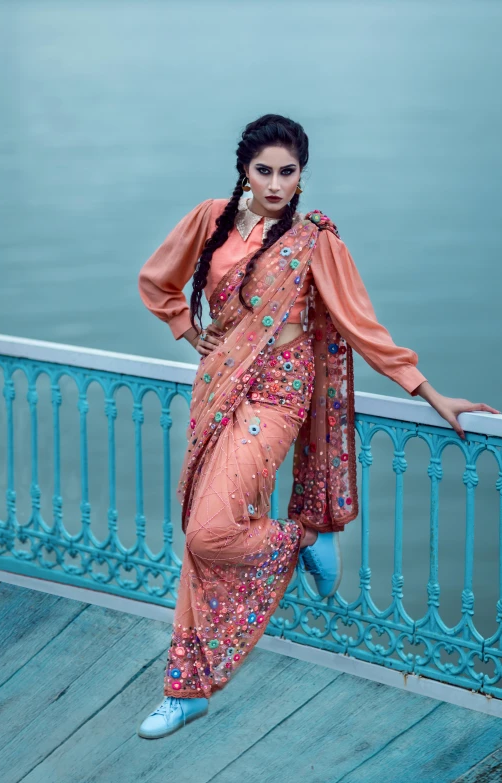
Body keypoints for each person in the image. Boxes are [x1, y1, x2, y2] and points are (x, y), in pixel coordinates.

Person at [135, 114, 500, 739]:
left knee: (209, 533)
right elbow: (157, 281)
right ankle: (187, 689)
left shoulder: (315, 241)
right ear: (243, 172)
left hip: (277, 397)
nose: (276, 184)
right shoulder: (209, 217)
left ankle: (305, 537)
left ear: (302, 173)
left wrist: (430, 391)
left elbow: (362, 325)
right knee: (198, 530)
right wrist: (191, 333)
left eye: (289, 172)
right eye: (264, 171)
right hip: (218, 384)